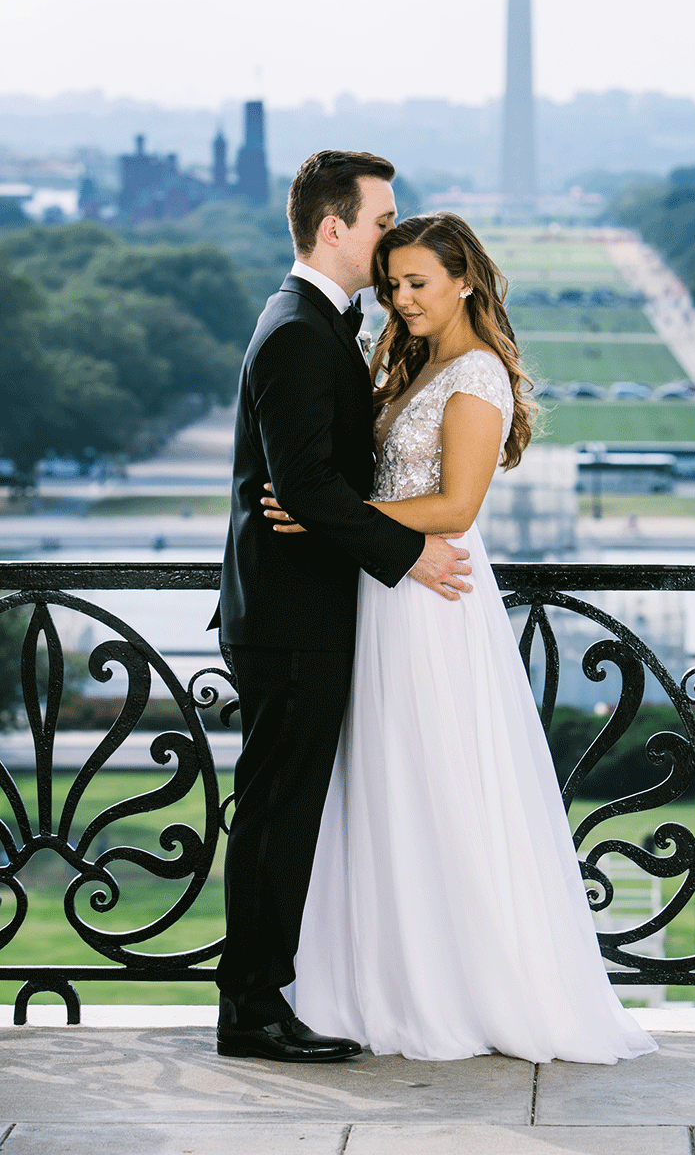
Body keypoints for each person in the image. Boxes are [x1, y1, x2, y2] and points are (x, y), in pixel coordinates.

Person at [264, 212, 657, 1064]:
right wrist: (345, 528)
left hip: (431, 600)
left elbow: (456, 510)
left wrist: (330, 518)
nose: (401, 299)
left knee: (438, 778)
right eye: (393, 283)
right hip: (392, 589)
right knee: (389, 781)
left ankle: (463, 988)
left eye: (419, 284)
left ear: (465, 281)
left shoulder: (474, 373)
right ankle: (392, 977)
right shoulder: (424, 362)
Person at [213, 152, 474, 1064]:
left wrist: (326, 501)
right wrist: (409, 552)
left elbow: (316, 490)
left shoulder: (312, 322)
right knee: (280, 815)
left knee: (284, 813)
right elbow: (306, 488)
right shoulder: (295, 329)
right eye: (380, 219)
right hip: (290, 619)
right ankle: (251, 1008)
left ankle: (263, 998)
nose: (390, 233)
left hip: (300, 610)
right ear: (334, 227)